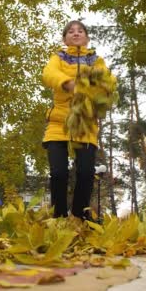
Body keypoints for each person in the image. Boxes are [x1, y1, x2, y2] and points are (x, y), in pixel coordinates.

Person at [42, 20, 111, 220]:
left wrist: (92, 91)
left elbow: (105, 83)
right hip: (59, 122)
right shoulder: (58, 57)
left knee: (86, 173)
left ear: (87, 38)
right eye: (70, 31)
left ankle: (80, 216)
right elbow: (49, 73)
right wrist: (67, 83)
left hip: (85, 122)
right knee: (58, 173)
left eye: (80, 31)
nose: (76, 33)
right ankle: (59, 217)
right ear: (64, 38)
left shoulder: (96, 61)